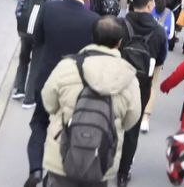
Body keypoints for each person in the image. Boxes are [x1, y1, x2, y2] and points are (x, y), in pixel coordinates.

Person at [40, 17, 142, 187]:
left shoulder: (67, 66)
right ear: (120, 42)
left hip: (62, 155)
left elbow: (48, 102)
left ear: (92, 37)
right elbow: (131, 119)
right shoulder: (129, 78)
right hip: (101, 160)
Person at [25, 0, 100, 187]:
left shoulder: (49, 8)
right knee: (66, 129)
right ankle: (54, 174)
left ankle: (35, 170)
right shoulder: (93, 20)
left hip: (47, 77)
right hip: (74, 85)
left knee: (39, 123)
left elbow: (37, 40)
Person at [116, 0, 168, 187]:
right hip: (141, 86)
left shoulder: (121, 23)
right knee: (132, 130)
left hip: (118, 82)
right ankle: (123, 172)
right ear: (149, 5)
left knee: (112, 122)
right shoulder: (158, 30)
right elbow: (161, 58)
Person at [13, 0, 63, 107]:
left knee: (23, 59)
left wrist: (22, 23)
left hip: (25, 31)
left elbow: (19, 8)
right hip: (41, 35)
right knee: (36, 63)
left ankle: (19, 89)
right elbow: (55, 19)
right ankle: (29, 98)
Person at [140, 0, 174, 133]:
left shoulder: (146, 9)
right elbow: (171, 35)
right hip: (158, 54)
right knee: (152, 85)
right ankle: (146, 118)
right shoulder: (169, 14)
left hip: (142, 51)